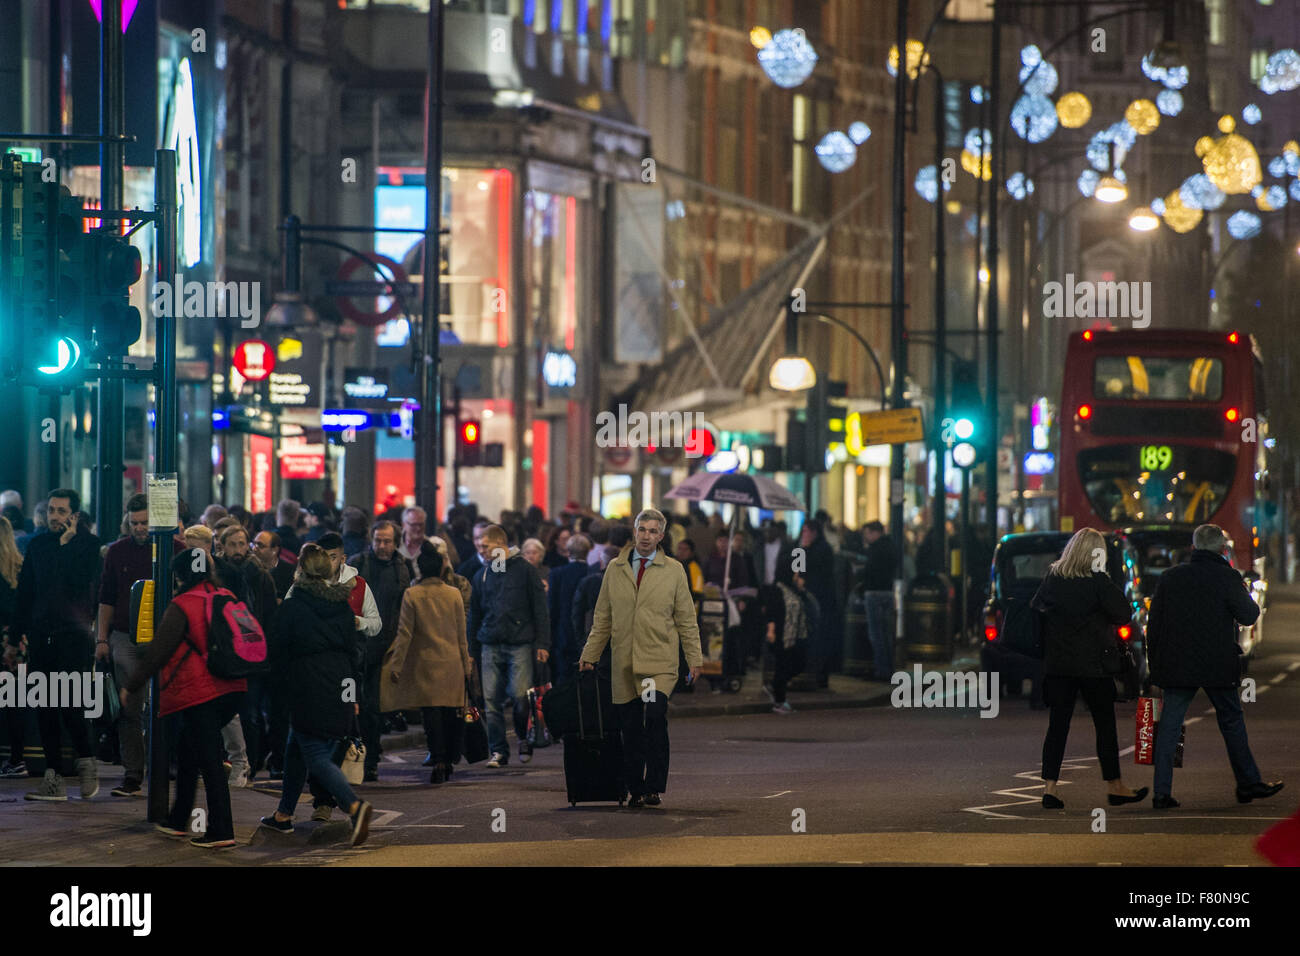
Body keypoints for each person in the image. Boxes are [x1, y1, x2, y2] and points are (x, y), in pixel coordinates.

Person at [1145, 523, 1283, 809]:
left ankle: (1161, 792)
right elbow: (1248, 615)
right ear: (1222, 549)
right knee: (1231, 720)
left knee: (1170, 724)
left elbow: (1154, 626)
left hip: (1176, 663)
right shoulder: (1227, 577)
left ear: (1193, 548)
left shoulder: (1171, 578)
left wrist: (1154, 666)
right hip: (1216, 662)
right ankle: (1247, 782)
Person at [116, 550, 245, 847]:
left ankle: (221, 831)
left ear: (179, 575)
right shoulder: (226, 595)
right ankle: (177, 820)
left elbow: (156, 654)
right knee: (189, 750)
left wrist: (131, 686)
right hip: (234, 686)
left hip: (202, 692)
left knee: (209, 759)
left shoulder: (182, 605)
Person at [579, 508, 702, 808]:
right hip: (624, 663)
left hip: (657, 663)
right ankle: (635, 786)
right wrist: (590, 654)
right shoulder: (615, 568)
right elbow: (603, 618)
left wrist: (694, 658)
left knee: (655, 716)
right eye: (641, 530)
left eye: (652, 531)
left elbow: (686, 618)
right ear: (634, 533)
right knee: (631, 728)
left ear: (661, 536)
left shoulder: (673, 570)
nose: (646, 536)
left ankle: (653, 786)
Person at [258, 544, 373, 846]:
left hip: (307, 687)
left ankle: (354, 806)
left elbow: (276, 651)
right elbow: (353, 654)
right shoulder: (342, 608)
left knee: (316, 754)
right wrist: (353, 696)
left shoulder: (293, 608)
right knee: (296, 747)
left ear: (301, 572)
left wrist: (274, 689)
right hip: (339, 686)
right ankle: (283, 816)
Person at [1030, 528, 1148, 810]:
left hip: (1060, 665)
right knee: (1104, 725)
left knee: (1058, 726)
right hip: (1094, 665)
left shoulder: (1054, 578)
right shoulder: (1098, 582)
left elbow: (1037, 609)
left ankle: (1050, 788)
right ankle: (1115, 785)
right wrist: (1104, 580)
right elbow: (1123, 613)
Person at [6, 489, 102, 802]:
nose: (55, 516)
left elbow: (78, 583)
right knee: (45, 706)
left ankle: (86, 761)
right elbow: (27, 593)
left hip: (73, 637)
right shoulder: (37, 544)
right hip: (41, 636)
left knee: (71, 703)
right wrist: (14, 638)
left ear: (74, 515)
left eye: (61, 511)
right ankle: (53, 777)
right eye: (51, 510)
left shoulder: (88, 546)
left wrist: (66, 547)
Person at [94, 494, 170, 797]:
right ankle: (133, 773)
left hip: (163, 636)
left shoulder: (171, 549)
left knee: (162, 706)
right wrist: (102, 638)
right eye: (135, 522)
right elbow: (106, 597)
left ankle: (161, 766)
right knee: (130, 709)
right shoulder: (117, 552)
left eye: (144, 522)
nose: (139, 528)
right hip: (125, 635)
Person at [382, 548, 471, 784]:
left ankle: (438, 759)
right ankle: (450, 759)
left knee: (431, 716)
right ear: (442, 567)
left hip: (425, 664)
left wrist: (396, 665)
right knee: (451, 714)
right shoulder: (454, 594)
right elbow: (462, 634)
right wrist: (467, 664)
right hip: (451, 662)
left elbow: (405, 633)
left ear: (420, 568)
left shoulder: (412, 594)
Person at [469, 524, 549, 767]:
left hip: (519, 643)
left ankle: (523, 738)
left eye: (485, 546)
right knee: (491, 700)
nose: (480, 550)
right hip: (490, 643)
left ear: (500, 544)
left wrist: (543, 643)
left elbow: (540, 609)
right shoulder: (482, 574)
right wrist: (471, 649)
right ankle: (499, 751)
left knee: (519, 696)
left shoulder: (524, 570)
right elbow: (475, 614)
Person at [347, 519, 411, 780]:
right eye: (378, 540)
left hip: (382, 650)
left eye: (387, 541)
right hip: (355, 646)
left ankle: (370, 759)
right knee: (351, 704)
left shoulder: (401, 569)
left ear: (396, 543)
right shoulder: (358, 564)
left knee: (373, 707)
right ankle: (352, 757)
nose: (382, 546)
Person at [216, 524, 278, 779]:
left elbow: (269, 616)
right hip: (225, 652)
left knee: (250, 713)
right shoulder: (217, 574)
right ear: (223, 546)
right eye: (233, 544)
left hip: (252, 653)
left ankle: (250, 762)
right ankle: (228, 762)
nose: (239, 549)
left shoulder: (259, 575)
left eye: (243, 544)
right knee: (226, 714)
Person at [757, 558, 809, 714]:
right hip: (781, 634)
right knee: (782, 666)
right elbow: (772, 612)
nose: (797, 573)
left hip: (795, 635)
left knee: (799, 664)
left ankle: (775, 687)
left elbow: (804, 604)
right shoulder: (777, 589)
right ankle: (779, 702)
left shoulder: (793, 588)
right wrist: (771, 631)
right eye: (794, 570)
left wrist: (801, 588)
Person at [547, 533, 593, 687]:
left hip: (563, 633)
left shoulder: (556, 574)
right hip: (588, 634)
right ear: (587, 552)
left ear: (568, 551)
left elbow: (551, 607)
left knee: (563, 678)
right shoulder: (592, 573)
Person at [0, 516, 26, 777]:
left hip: (4, 638)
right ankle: (17, 757)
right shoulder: (19, 567)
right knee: (14, 700)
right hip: (17, 640)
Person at [799, 519, 838, 688]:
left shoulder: (824, 549)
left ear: (814, 532)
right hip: (805, 600)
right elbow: (796, 571)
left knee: (821, 638)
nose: (804, 535)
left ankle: (820, 675)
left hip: (822, 600)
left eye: (806, 531)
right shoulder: (801, 548)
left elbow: (819, 574)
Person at [860, 520, 898, 681]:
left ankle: (881, 670)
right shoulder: (891, 546)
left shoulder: (875, 549)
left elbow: (869, 570)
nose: (866, 537)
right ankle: (888, 668)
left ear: (875, 532)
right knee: (886, 633)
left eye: (867, 533)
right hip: (888, 592)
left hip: (874, 592)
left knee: (876, 634)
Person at [253, 530, 295, 599]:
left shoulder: (289, 572)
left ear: (274, 550)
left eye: (260, 546)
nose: (254, 549)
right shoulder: (249, 567)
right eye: (254, 544)